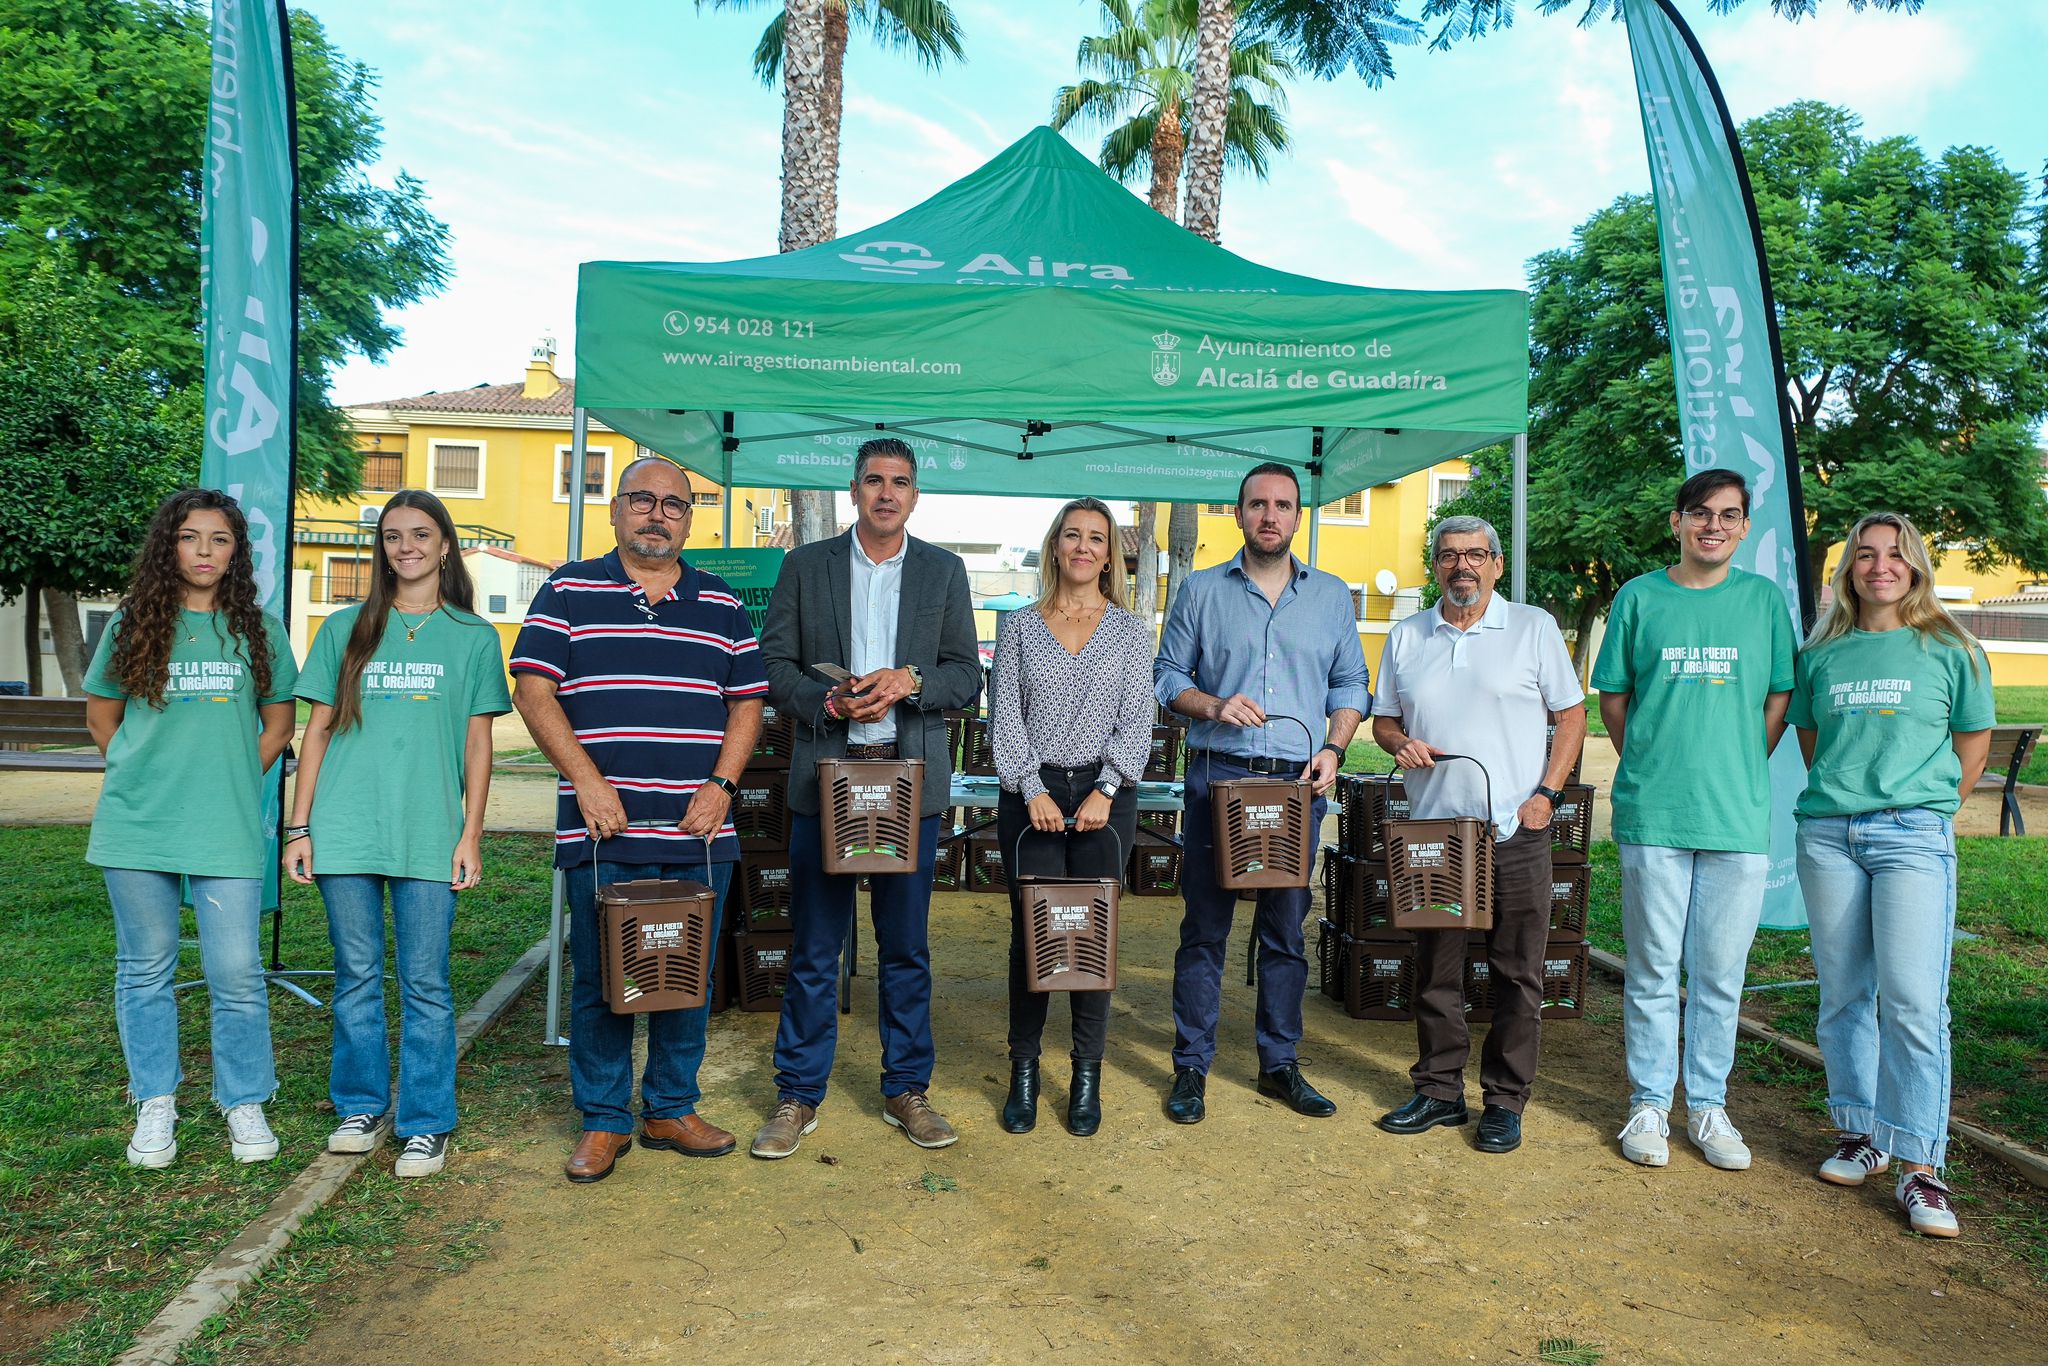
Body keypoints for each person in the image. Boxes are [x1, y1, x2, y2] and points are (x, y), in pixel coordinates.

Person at [511, 458, 766, 1184]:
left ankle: (669, 1108)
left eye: (674, 505)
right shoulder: (568, 589)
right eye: (643, 501)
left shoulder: (719, 603)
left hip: (698, 828)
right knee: (600, 977)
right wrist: (586, 782)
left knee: (685, 976)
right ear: (617, 510)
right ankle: (603, 1119)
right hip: (603, 828)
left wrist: (723, 784)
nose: (658, 514)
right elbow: (534, 690)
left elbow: (747, 703)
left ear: (690, 518)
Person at [750, 437, 982, 1159]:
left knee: (905, 948)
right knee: (816, 949)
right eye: (874, 481)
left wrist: (912, 680)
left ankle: (906, 1089)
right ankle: (797, 1095)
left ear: (915, 496)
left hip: (907, 784)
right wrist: (825, 700)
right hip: (828, 779)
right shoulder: (804, 566)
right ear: (853, 491)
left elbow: (967, 676)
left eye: (901, 483)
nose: (887, 493)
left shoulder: (944, 571)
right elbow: (773, 667)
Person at [285, 490, 511, 1177]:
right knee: (356, 975)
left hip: (428, 832)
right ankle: (358, 1103)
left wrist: (470, 835)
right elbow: (316, 732)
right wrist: (300, 826)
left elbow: (477, 748)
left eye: (419, 534)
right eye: (391, 536)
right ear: (381, 549)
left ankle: (425, 1121)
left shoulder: (473, 637)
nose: (405, 547)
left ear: (446, 545)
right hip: (345, 828)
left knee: (425, 982)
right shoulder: (344, 627)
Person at [1791, 511, 1992, 1240]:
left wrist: (1924, 811)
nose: (1881, 566)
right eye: (1866, 555)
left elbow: (1971, 747)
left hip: (1912, 836)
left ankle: (1919, 1166)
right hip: (1829, 835)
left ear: (1916, 566)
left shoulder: (1952, 649)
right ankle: (1859, 1134)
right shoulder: (1822, 654)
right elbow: (1816, 744)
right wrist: (1850, 805)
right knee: (1845, 994)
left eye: (1895, 555)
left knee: (1912, 1003)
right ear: (1848, 569)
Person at [83, 488, 298, 1168]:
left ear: (236, 552)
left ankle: (244, 1100)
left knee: (234, 969)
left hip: (225, 824)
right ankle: (155, 1100)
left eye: (219, 539)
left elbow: (279, 723)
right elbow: (102, 718)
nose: (204, 551)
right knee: (144, 968)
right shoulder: (132, 623)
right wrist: (142, 772)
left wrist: (232, 773)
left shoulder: (259, 629)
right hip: (137, 823)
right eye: (189, 537)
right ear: (168, 547)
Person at [1592, 470, 1798, 1171]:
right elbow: (1614, 699)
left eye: (1729, 515)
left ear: (1745, 529)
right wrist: (1652, 760)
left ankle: (1708, 1107)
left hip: (1736, 817)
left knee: (1719, 972)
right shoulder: (1640, 598)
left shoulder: (1764, 602)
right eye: (1700, 513)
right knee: (1652, 966)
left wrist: (1738, 763)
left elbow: (1777, 700)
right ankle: (1649, 1102)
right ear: (1677, 522)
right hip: (1655, 811)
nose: (1713, 525)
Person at [1154, 462, 1371, 1125]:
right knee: (1205, 930)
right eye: (1257, 504)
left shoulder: (1332, 596)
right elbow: (1166, 678)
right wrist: (1215, 704)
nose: (1269, 515)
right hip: (1219, 775)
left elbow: (1350, 685)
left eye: (1282, 505)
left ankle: (1279, 1064)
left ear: (1297, 516)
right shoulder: (1201, 591)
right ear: (1239, 513)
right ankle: (1191, 1067)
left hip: (1296, 785)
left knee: (1284, 932)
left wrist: (1334, 748)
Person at [1371, 515, 1585, 1155]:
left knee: (1517, 971)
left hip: (1514, 829)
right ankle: (1438, 1090)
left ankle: (1504, 1100)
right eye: (1447, 556)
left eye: (1474, 555)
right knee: (1435, 966)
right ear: (1434, 566)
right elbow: (1384, 722)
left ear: (1496, 563)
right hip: (1434, 832)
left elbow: (1571, 716)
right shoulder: (1407, 634)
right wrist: (1401, 742)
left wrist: (1546, 795)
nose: (1461, 566)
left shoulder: (1532, 628)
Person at [989, 498, 1154, 1138]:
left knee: (1091, 936)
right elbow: (1004, 717)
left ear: (1110, 554)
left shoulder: (1130, 632)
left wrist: (1107, 788)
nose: (1084, 547)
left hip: (1103, 796)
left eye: (1097, 538)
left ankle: (1088, 1072)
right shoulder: (1020, 628)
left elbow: (1138, 718)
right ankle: (1023, 1070)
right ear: (1056, 546)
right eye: (1073, 536)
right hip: (1029, 795)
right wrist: (1030, 787)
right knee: (1031, 936)